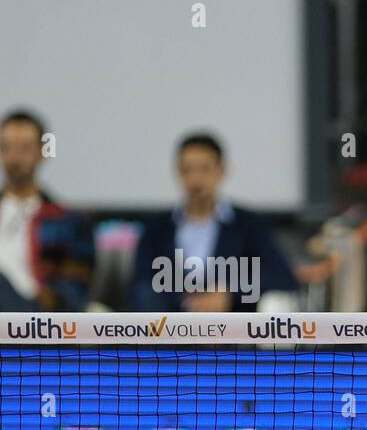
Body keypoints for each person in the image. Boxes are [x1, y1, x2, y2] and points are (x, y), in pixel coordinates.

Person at [129, 132, 298, 312]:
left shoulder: (247, 225)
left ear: (221, 171)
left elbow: (282, 277)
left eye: (204, 169)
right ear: (178, 173)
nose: (196, 179)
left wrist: (231, 293)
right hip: (171, 329)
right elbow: (140, 282)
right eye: (187, 170)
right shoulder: (157, 228)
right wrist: (187, 302)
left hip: (231, 329)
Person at [0, 109, 96, 311]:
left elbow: (75, 289)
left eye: (25, 148)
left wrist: (47, 300)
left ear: (43, 151)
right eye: (7, 148)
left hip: (35, 316)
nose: (15, 157)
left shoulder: (68, 222)